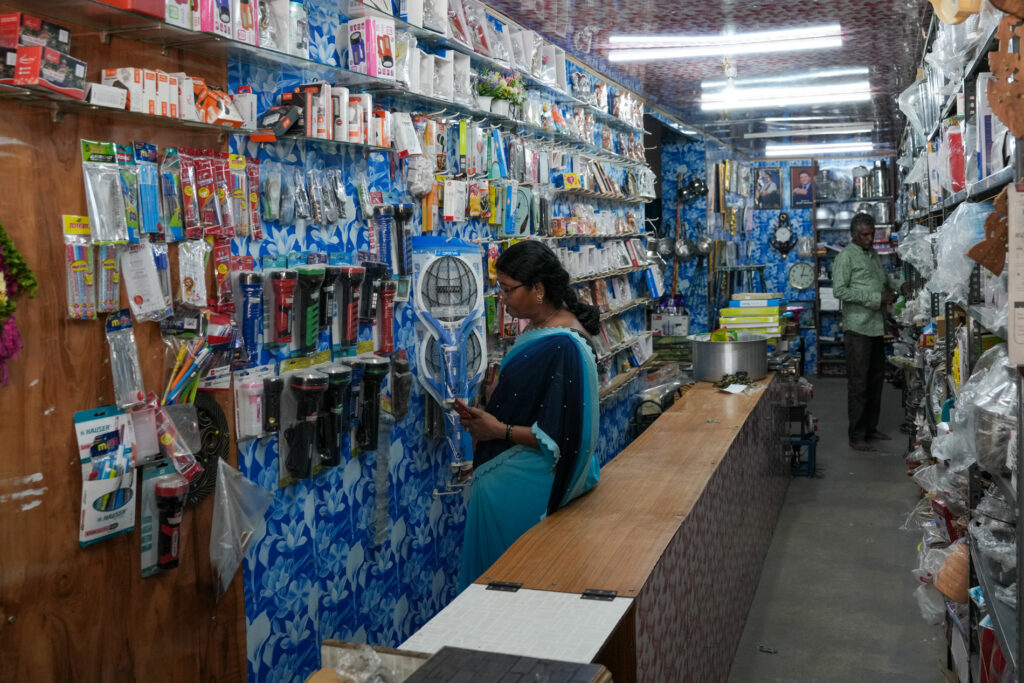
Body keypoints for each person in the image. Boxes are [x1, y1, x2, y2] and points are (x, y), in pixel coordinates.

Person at [457, 240, 602, 590]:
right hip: (507, 484)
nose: (502, 299)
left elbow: (563, 434)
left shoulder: (563, 344)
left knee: (515, 589)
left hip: (528, 492)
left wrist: (498, 430)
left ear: (537, 289)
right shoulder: (538, 331)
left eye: (507, 290)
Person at [833, 213, 911, 451]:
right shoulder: (845, 257)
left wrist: (900, 285)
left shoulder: (873, 254)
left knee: (876, 380)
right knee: (859, 384)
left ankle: (870, 428)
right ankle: (857, 436)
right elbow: (840, 291)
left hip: (876, 326)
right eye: (865, 235)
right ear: (854, 234)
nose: (869, 239)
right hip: (858, 328)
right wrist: (876, 298)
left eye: (872, 234)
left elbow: (884, 279)